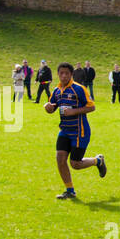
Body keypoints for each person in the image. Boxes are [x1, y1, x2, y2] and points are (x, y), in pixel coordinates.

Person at [44, 61, 104, 200]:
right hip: (65, 130)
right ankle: (70, 190)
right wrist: (48, 107)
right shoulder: (57, 91)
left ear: (71, 74)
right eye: (61, 73)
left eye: (66, 73)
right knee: (60, 159)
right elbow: (53, 107)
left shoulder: (79, 89)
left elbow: (91, 107)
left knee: (75, 164)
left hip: (79, 131)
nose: (63, 76)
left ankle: (97, 161)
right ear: (58, 74)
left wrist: (73, 112)